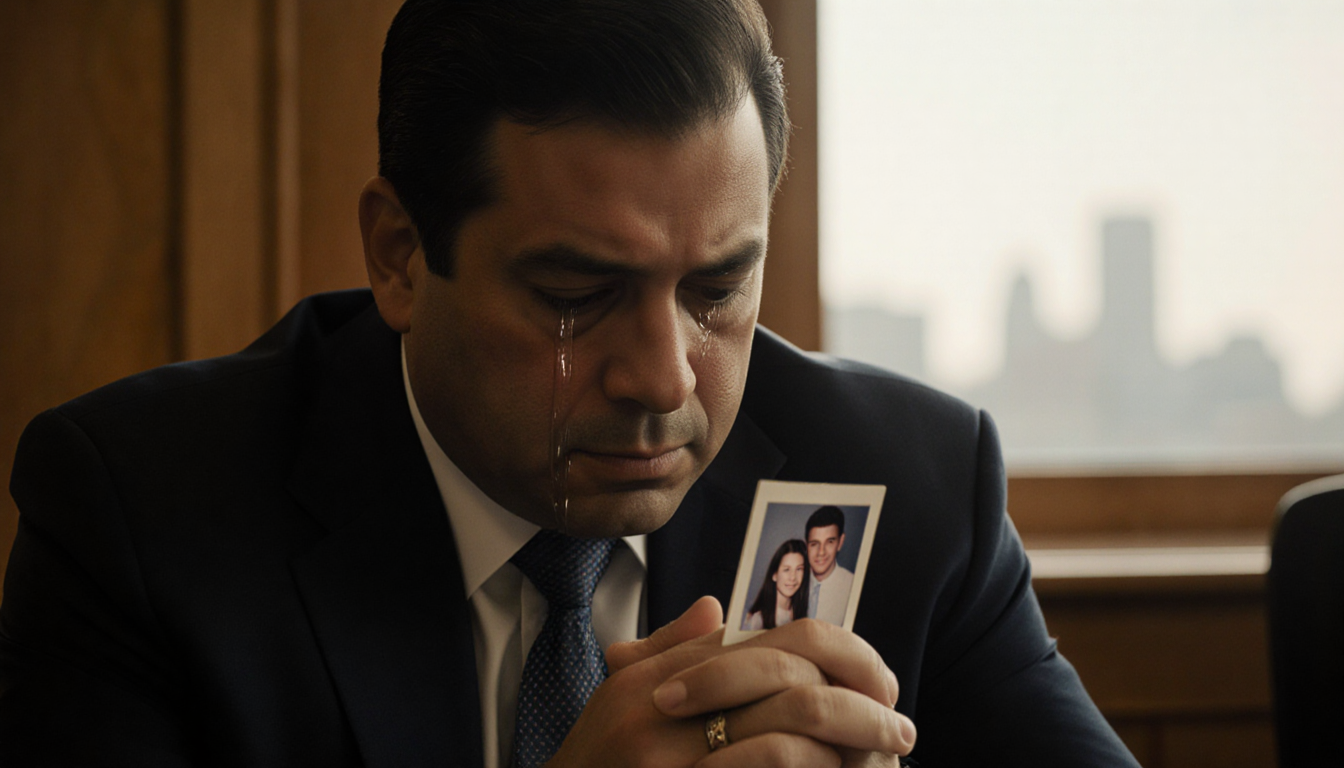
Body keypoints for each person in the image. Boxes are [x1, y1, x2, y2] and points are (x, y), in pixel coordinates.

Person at [0, 1, 1141, 766]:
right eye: (574, 296)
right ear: (401, 256)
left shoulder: (912, 484)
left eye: (716, 290)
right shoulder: (145, 517)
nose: (662, 378)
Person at [742, 539, 810, 631]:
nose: (793, 577)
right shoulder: (758, 620)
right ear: (774, 575)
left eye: (799, 569)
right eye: (786, 570)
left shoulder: (805, 615)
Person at [805, 505, 856, 626]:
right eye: (814, 543)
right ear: (806, 546)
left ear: (840, 542)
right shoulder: (792, 583)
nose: (821, 552)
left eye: (830, 542)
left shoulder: (853, 586)